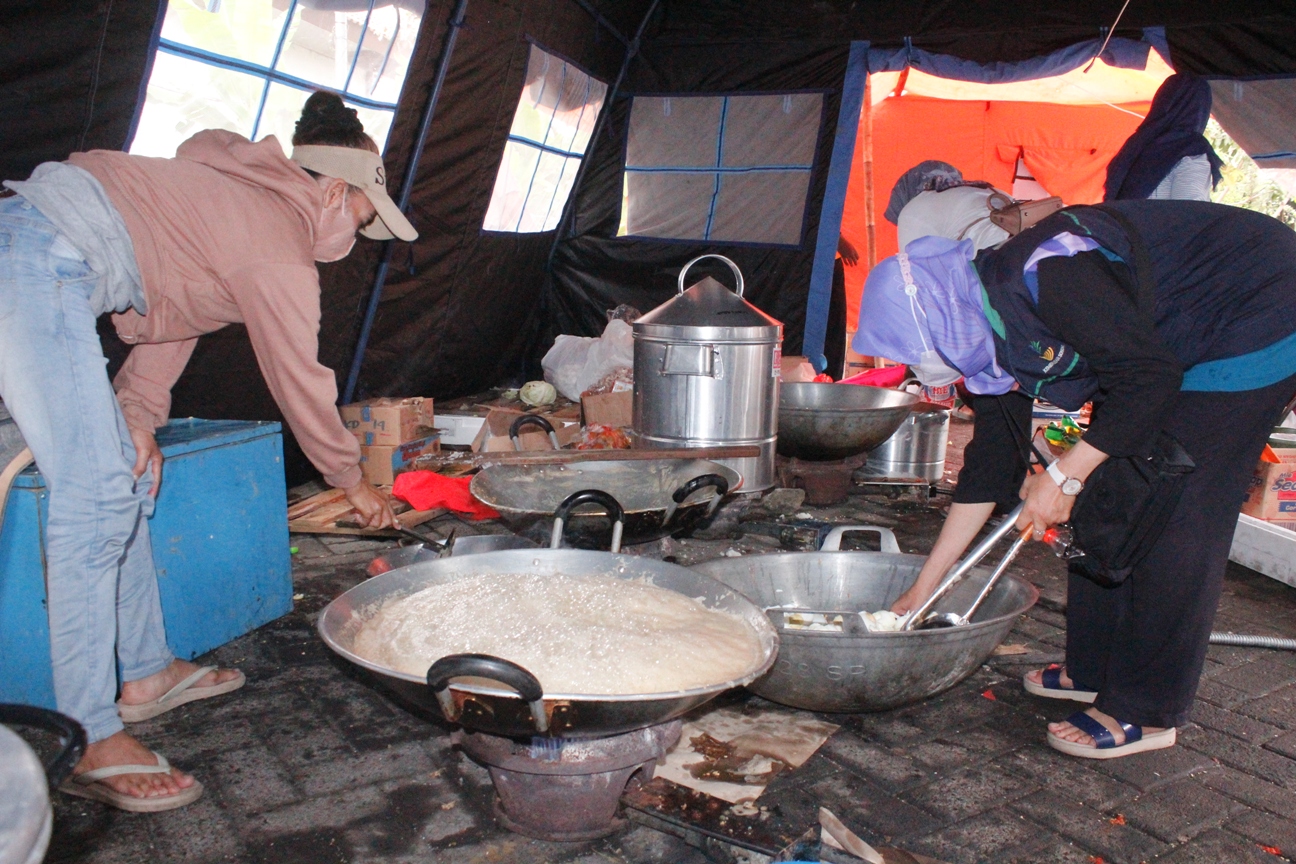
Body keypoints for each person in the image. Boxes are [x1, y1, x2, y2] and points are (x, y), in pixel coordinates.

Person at [0, 91, 415, 811]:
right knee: (94, 497)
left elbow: (167, 323)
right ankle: (87, 735)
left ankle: (148, 672)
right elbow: (299, 378)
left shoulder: (225, 206)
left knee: (124, 473)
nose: (358, 238)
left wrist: (136, 413)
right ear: (338, 190)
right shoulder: (276, 237)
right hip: (35, 259)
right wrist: (352, 481)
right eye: (360, 218)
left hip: (40, 255)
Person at [853, 200, 1296, 759]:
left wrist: (1062, 475)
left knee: (1177, 501)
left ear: (938, 318)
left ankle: (1147, 709)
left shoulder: (1043, 276)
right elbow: (990, 469)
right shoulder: (987, 335)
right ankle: (1094, 666)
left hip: (1260, 306)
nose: (931, 368)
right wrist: (922, 590)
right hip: (1161, 344)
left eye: (924, 352)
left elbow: (1149, 378)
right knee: (1103, 488)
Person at [1105, 73, 1222, 202]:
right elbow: (1189, 213)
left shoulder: (1137, 144)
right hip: (1147, 221)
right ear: (1202, 109)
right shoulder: (1192, 152)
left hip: (1117, 219)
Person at [885, 160, 1012, 252]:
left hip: (996, 268)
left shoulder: (914, 211)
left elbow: (915, 275)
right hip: (1026, 249)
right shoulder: (980, 190)